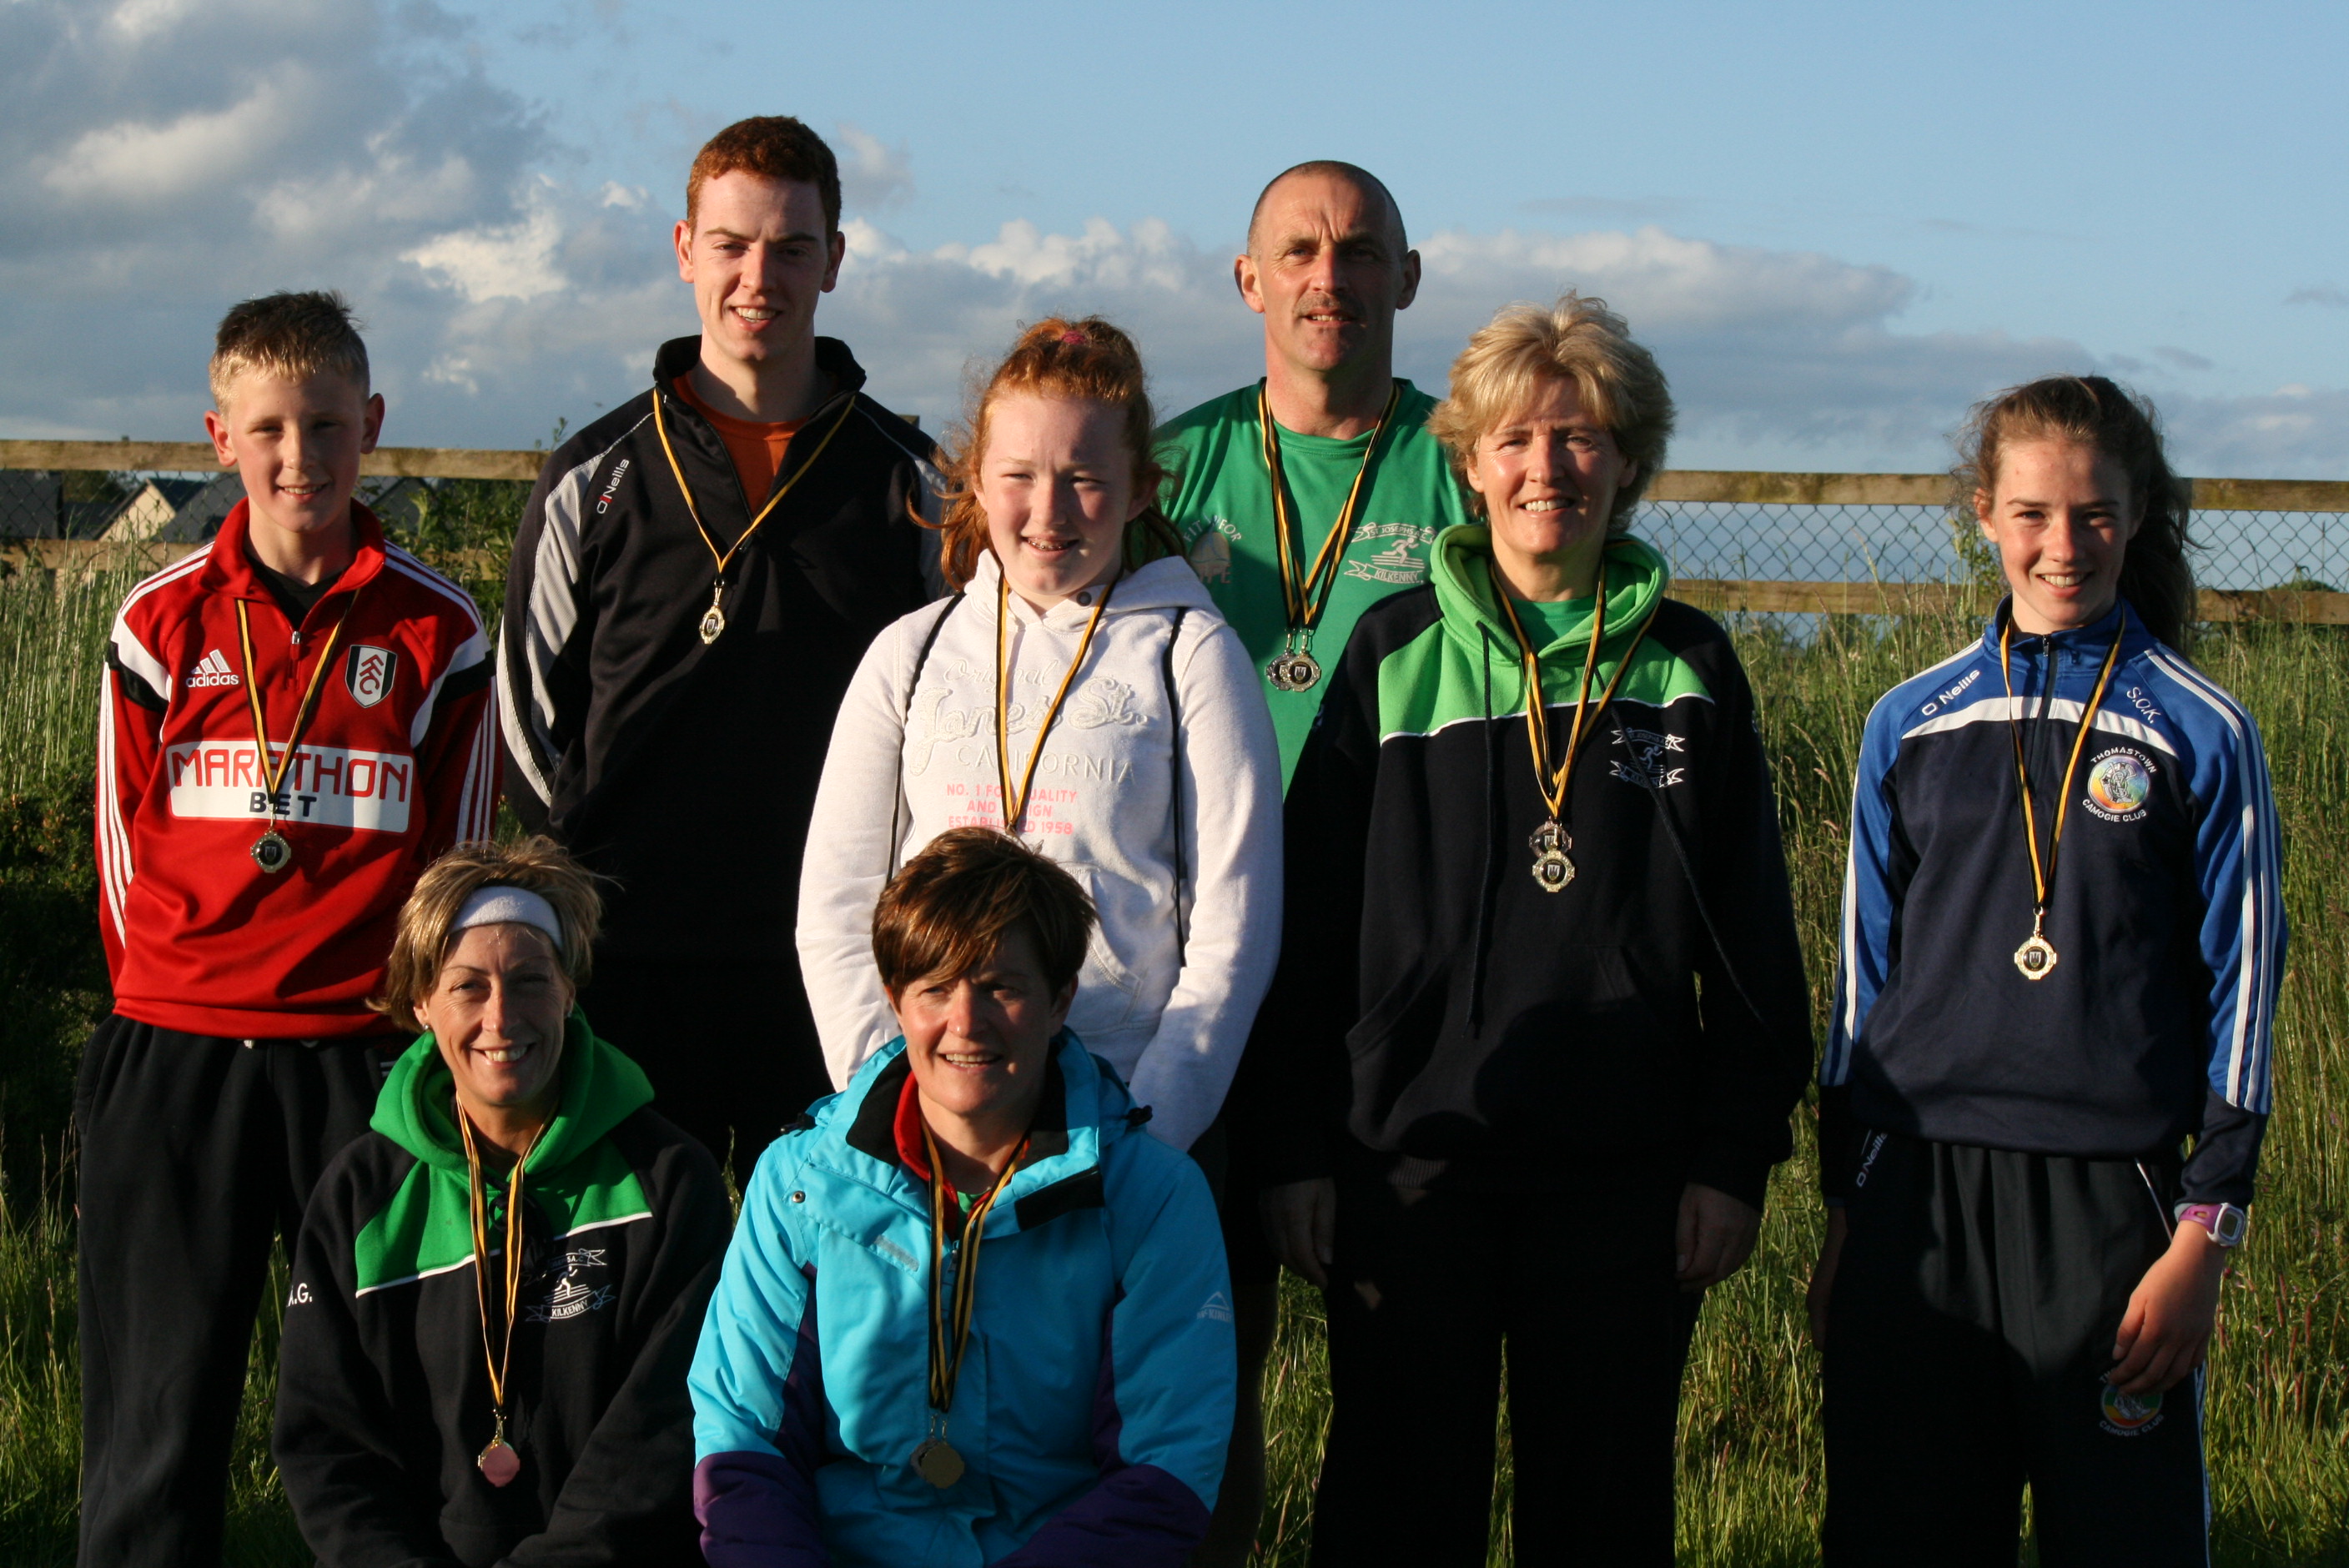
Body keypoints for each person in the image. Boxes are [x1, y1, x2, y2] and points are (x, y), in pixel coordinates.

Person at [1250, 294, 1813, 1565]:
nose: (1546, 468)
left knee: (1604, 1519)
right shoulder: (1391, 655)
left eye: (1581, 437)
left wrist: (1733, 1158)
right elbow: (1308, 920)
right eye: (1514, 439)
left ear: (1631, 462)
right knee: (1396, 1513)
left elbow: (1751, 941)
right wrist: (1291, 1149)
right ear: (1470, 462)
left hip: (1627, 1182)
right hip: (1413, 1170)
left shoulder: (1691, 668)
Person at [1810, 375, 2283, 1565]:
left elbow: (2242, 990)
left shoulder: (2202, 729)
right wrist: (1845, 1206)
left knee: (2124, 1537)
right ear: (1983, 514)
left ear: (2137, 515)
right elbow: (1863, 983)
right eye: (2030, 513)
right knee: (1901, 1535)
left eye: (2093, 514)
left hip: (2110, 1204)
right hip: (1918, 1194)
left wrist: (2204, 1231)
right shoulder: (1909, 722)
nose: (2062, 545)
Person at [78, 289, 498, 1568]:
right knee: (155, 1424)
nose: (298, 455)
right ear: (220, 437)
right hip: (178, 1056)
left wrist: (423, 1043)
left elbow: (454, 874)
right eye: (267, 428)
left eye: (325, 424)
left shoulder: (440, 631)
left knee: (386, 1410)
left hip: (361, 1064)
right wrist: (167, 999)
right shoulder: (157, 621)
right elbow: (118, 853)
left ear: (372, 424)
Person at [497, 114, 943, 1173]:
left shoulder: (910, 479)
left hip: (833, 959)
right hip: (630, 962)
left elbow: (954, 710)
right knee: (642, 1253)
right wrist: (588, 886)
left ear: (833, 260)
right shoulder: (593, 473)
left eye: (791, 248)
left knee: (824, 1251)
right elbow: (521, 719)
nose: (758, 277)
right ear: (684, 248)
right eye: (732, 244)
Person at [1153, 159, 1471, 1561]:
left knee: (1396, 1371)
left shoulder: (1466, 466)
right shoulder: (1171, 468)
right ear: (1249, 280)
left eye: (1358, 250)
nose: (1327, 278)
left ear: (1407, 277)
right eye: (1298, 250)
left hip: (1387, 965)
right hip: (1198, 960)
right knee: (1195, 1353)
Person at [797, 315, 1283, 1158]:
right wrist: (891, 1107)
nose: (1048, 511)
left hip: (1122, 1123)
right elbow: (837, 908)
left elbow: (1235, 928)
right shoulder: (910, 654)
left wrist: (1145, 1137)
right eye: (1018, 475)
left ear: (1139, 490)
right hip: (930, 1127)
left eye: (1084, 478)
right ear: (976, 481)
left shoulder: (1191, 653)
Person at [693, 827, 1235, 1566]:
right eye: (935, 988)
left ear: (1060, 1000)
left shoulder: (1154, 1198)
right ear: (896, 1000)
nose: (966, 1022)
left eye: (1001, 987)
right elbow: (743, 1443)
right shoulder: (799, 1184)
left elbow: (1162, 1474)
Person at [274, 837, 729, 1565]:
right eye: (468, 987)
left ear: (570, 991)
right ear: (421, 1003)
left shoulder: (668, 1180)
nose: (501, 1017)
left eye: (529, 980)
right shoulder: (359, 1199)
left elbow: (663, 1429)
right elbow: (328, 1444)